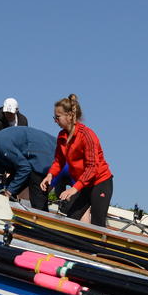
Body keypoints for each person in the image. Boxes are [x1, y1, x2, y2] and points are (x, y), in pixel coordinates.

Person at [40, 94, 114, 227]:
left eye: (57, 117)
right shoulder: (61, 135)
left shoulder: (87, 135)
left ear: (69, 116)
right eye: (54, 117)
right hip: (85, 184)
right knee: (71, 216)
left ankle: (97, 247)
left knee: (98, 223)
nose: (55, 121)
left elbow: (92, 168)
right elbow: (59, 160)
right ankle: (72, 246)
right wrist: (50, 174)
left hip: (100, 182)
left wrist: (74, 189)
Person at [0, 125, 56, 210]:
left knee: (37, 197)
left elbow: (25, 168)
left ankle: (42, 219)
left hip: (42, 157)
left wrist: (9, 192)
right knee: (11, 187)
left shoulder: (0, 143)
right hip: (31, 160)